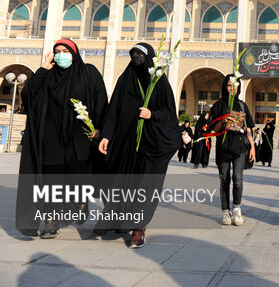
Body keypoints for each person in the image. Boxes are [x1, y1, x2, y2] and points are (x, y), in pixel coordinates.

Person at [16, 38, 108, 238]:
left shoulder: (89, 73)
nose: (60, 55)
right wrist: (42, 69)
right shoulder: (48, 77)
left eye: (65, 50)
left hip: (80, 140)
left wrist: (100, 128)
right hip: (51, 139)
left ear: (74, 53)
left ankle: (80, 204)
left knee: (78, 179)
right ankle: (51, 221)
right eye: (57, 51)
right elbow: (29, 97)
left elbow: (101, 101)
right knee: (52, 182)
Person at [97, 43, 181, 248]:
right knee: (123, 182)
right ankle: (117, 219)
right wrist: (106, 135)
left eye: (140, 55)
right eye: (133, 54)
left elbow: (169, 112)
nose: (136, 58)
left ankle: (138, 228)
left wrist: (151, 114)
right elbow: (114, 109)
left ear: (149, 58)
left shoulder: (158, 80)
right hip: (126, 142)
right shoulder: (125, 79)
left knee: (145, 184)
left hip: (150, 144)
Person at [208, 74, 256, 226]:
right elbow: (213, 131)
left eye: (235, 86)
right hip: (223, 149)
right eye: (229, 85)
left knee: (238, 179)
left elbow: (248, 128)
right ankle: (225, 211)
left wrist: (252, 146)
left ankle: (236, 209)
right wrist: (222, 121)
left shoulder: (242, 106)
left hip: (240, 148)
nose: (232, 88)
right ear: (225, 86)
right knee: (224, 180)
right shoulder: (218, 106)